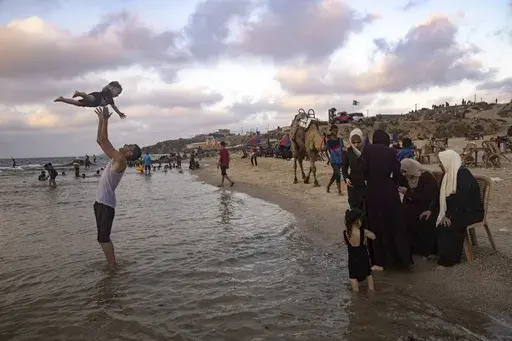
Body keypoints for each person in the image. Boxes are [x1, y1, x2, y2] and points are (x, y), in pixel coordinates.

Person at [93, 106, 141, 269]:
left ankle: (112, 266)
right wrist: (101, 120)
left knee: (103, 238)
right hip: (101, 202)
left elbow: (104, 141)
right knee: (103, 237)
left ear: (129, 153)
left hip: (106, 204)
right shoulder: (119, 157)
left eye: (129, 145)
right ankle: (112, 264)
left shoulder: (121, 159)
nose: (126, 144)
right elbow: (100, 141)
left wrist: (105, 120)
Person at [420, 150, 484, 268]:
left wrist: (449, 215)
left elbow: (462, 199)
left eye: (441, 162)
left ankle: (448, 260)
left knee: (448, 224)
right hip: (453, 209)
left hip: (469, 211)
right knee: (428, 219)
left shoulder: (463, 174)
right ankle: (435, 251)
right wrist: (431, 209)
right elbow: (438, 195)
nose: (439, 165)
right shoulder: (448, 174)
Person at [362, 129, 412, 270]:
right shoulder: (392, 152)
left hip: (373, 191)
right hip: (389, 191)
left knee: (377, 224)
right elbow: (397, 172)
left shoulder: (367, 150)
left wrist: (370, 179)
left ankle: (380, 261)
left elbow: (363, 170)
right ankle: (400, 259)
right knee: (394, 224)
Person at [399, 158, 438, 258]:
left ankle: (425, 250)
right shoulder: (406, 177)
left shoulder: (426, 177)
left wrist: (408, 192)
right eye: (402, 171)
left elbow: (427, 196)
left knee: (419, 218)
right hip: (414, 204)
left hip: (429, 206)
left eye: (405, 171)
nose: (403, 174)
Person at [54, 81, 127, 119]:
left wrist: (119, 113)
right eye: (117, 92)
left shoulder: (111, 100)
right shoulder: (107, 92)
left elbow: (115, 107)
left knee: (78, 104)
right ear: (112, 88)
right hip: (97, 97)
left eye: (118, 94)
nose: (117, 95)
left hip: (94, 104)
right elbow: (105, 88)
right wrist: (109, 86)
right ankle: (79, 93)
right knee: (88, 98)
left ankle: (62, 99)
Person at [343, 208, 376, 292]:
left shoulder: (345, 233)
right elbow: (373, 237)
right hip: (363, 258)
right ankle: (371, 290)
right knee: (368, 274)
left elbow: (345, 243)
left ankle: (355, 292)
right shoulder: (363, 232)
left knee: (353, 277)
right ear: (357, 221)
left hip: (352, 259)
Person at [342, 128, 366, 209]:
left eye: (358, 142)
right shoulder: (348, 152)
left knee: (366, 207)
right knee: (354, 206)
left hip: (365, 184)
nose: (356, 145)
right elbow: (344, 169)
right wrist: (346, 178)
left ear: (362, 140)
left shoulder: (367, 151)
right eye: (353, 142)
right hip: (353, 184)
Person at [324, 125, 344, 195]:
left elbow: (342, 149)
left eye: (336, 130)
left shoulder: (340, 140)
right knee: (338, 174)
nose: (336, 132)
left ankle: (328, 186)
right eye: (334, 130)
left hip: (340, 160)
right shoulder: (329, 141)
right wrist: (329, 159)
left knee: (335, 174)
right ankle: (339, 191)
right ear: (331, 131)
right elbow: (325, 150)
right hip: (333, 161)